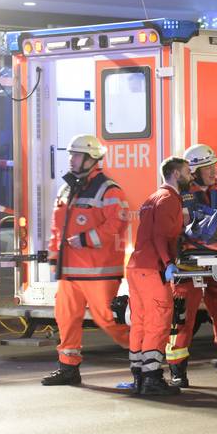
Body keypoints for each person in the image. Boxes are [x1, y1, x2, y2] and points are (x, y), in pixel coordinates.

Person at [41, 134, 132, 386]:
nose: (71, 159)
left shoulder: (109, 189)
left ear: (92, 159)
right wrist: (53, 256)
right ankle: (68, 369)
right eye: (71, 155)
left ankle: (147, 354)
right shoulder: (67, 188)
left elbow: (118, 222)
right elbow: (57, 229)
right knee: (66, 319)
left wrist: (86, 239)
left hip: (98, 271)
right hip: (71, 273)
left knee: (110, 321)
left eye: (76, 155)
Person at [165, 144, 217, 387]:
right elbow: (186, 220)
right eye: (207, 167)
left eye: (214, 166)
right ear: (195, 171)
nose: (213, 171)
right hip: (189, 262)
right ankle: (178, 371)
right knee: (182, 316)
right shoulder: (182, 190)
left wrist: (208, 216)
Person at [127, 157, 192, 396]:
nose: (191, 176)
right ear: (175, 174)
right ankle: (152, 377)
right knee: (158, 321)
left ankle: (139, 376)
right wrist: (168, 263)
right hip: (152, 268)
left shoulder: (152, 198)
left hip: (137, 267)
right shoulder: (169, 199)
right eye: (187, 172)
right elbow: (160, 235)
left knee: (140, 323)